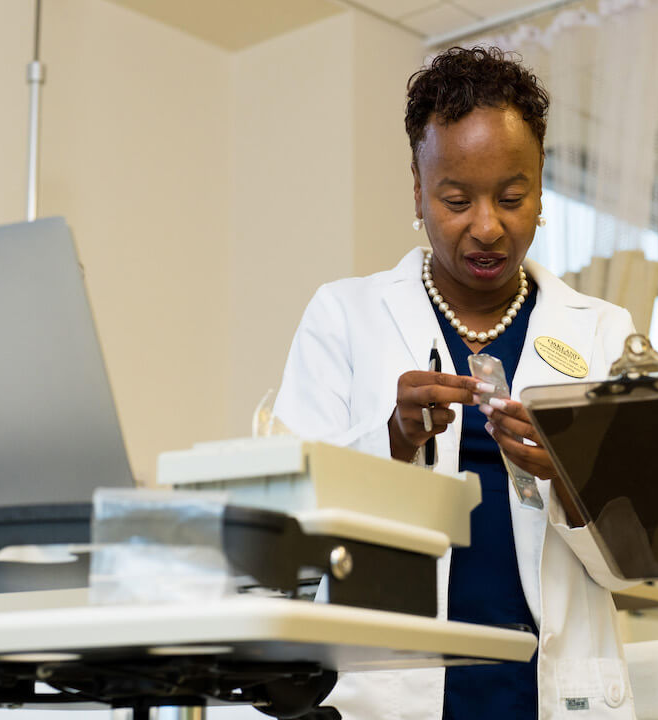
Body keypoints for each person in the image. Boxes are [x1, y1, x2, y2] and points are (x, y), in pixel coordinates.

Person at [273, 47, 638, 720]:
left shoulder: (604, 333)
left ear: (540, 189)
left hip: (549, 690)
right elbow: (286, 527)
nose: (488, 226)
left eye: (511, 198)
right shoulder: (344, 316)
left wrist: (567, 475)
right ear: (418, 190)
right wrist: (391, 439)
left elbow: (636, 560)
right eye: (456, 200)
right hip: (386, 689)